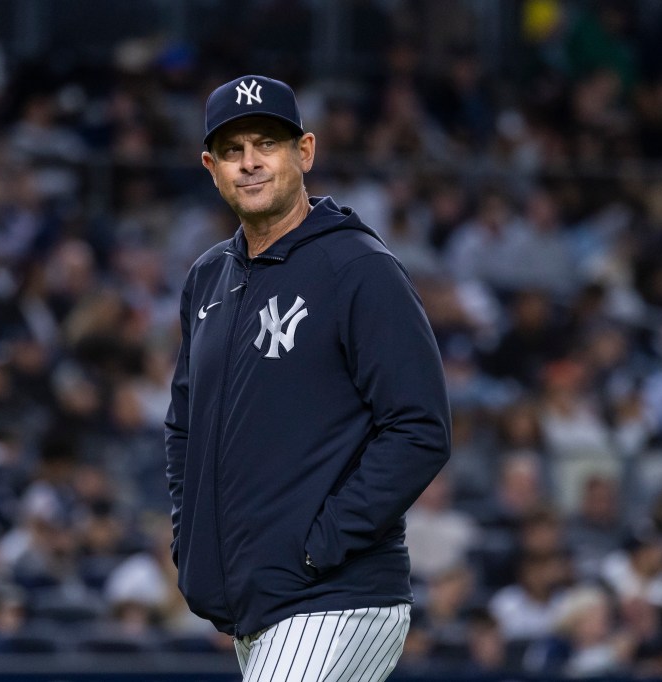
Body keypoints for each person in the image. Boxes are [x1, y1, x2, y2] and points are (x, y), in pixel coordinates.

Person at [164, 75, 451, 682]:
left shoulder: (357, 267)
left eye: (266, 144)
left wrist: (319, 543)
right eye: (234, 150)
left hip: (338, 595)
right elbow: (183, 427)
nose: (250, 163)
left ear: (305, 152)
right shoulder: (208, 277)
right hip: (256, 602)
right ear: (211, 167)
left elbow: (419, 427)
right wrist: (192, 543)